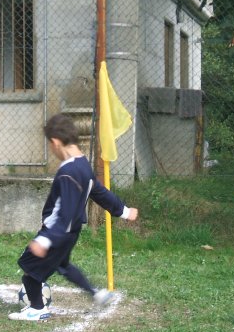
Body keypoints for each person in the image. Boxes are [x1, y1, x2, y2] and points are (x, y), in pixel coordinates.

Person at [8, 114, 139, 321]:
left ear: (56, 143)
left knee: (30, 267)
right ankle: (96, 293)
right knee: (62, 265)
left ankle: (37, 309)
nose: (52, 150)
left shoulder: (68, 171)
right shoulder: (83, 165)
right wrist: (123, 210)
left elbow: (65, 212)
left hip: (58, 231)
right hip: (71, 231)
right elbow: (99, 192)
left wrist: (45, 239)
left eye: (50, 146)